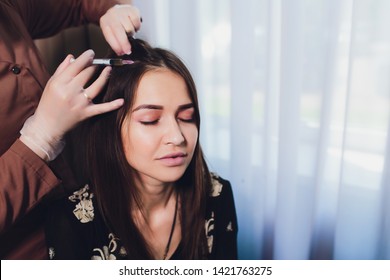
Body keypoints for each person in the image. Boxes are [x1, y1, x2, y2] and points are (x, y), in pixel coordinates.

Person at [45, 38, 238, 260]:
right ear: (111, 129)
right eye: (151, 120)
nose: (177, 137)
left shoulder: (216, 195)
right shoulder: (72, 221)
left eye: (187, 117)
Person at [0, 0, 141, 259]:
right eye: (150, 120)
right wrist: (39, 139)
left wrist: (114, 9)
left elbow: (78, 3)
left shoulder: (10, 8)